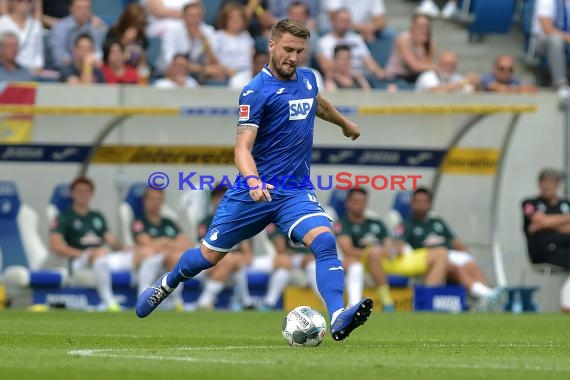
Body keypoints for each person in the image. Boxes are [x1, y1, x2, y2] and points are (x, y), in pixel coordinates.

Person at [137, 18, 372, 341]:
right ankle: (168, 282)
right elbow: (241, 149)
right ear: (272, 46)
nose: (294, 57)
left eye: (300, 51)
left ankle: (338, 316)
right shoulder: (255, 91)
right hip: (252, 193)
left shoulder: (307, 79)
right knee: (208, 256)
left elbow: (317, 103)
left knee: (325, 241)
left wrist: (345, 123)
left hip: (295, 192)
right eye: (288, 49)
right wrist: (253, 181)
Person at [336, 188, 449, 312]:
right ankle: (386, 301)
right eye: (355, 201)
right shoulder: (342, 223)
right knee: (372, 253)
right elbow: (348, 250)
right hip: (363, 263)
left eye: (363, 201)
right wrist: (374, 251)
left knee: (441, 253)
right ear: (348, 203)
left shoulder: (376, 223)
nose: (359, 205)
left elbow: (390, 245)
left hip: (385, 260)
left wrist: (388, 250)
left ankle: (428, 301)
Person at [402, 187, 504, 310]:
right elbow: (401, 246)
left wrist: (467, 255)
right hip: (428, 261)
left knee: (470, 264)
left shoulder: (437, 222)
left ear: (430, 203)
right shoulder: (407, 224)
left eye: (424, 201)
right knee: (452, 265)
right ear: (412, 203)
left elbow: (454, 241)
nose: (421, 204)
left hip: (449, 255)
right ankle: (485, 294)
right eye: (418, 201)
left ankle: (487, 300)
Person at [49, 177, 141, 311]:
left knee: (143, 254)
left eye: (86, 192)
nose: (82, 195)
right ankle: (108, 300)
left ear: (91, 194)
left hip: (102, 257)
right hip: (79, 260)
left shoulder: (97, 216)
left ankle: (149, 299)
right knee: (100, 253)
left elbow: (112, 242)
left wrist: (127, 249)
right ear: (72, 193)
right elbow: (56, 245)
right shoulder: (64, 217)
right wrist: (85, 254)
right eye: (79, 191)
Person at [131, 187, 190, 309]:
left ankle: (176, 300)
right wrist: (169, 242)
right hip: (150, 261)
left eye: (158, 200)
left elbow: (186, 245)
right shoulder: (139, 221)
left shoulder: (169, 223)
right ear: (144, 201)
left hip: (169, 260)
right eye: (151, 199)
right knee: (151, 256)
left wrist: (164, 243)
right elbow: (148, 244)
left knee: (176, 257)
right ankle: (143, 298)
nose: (155, 203)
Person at [522, 168, 570, 311]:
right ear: (539, 184)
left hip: (564, 248)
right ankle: (567, 304)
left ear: (558, 184)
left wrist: (547, 223)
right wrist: (562, 221)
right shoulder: (530, 203)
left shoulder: (565, 204)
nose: (548, 185)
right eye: (545, 181)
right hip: (543, 252)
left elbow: (543, 223)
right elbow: (540, 221)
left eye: (552, 181)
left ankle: (567, 303)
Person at [260, 223, 320, 309]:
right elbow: (281, 250)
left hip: (310, 261)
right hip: (285, 260)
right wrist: (304, 256)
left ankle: (328, 304)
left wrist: (312, 255)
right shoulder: (279, 222)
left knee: (312, 266)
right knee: (282, 272)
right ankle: (269, 303)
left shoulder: (309, 221)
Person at [48, 0, 107, 68]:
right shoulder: (59, 28)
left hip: (91, 67)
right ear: (71, 9)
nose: (84, 11)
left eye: (87, 8)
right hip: (67, 69)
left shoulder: (95, 27)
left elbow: (98, 52)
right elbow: (59, 57)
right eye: (80, 8)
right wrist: (79, 63)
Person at [531, 0, 570, 98]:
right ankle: (560, 84)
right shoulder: (546, 1)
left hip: (566, 42)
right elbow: (547, 29)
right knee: (555, 40)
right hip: (543, 42)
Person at [384, 13, 435, 84]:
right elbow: (414, 66)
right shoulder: (402, 39)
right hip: (396, 77)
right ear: (412, 26)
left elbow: (427, 66)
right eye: (420, 26)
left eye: (426, 27)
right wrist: (437, 67)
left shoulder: (430, 43)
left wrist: (421, 46)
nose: (423, 29)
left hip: (415, 78)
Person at [0, 0, 44, 73]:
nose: (25, 3)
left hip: (31, 72)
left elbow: (38, 54)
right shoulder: (2, 23)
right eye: (20, 0)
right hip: (6, 71)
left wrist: (38, 68)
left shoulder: (36, 25)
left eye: (29, 1)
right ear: (12, 2)